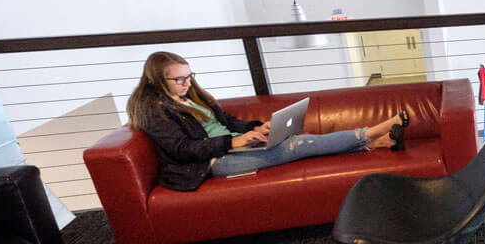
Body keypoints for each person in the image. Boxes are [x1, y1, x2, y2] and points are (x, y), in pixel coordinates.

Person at [126, 50, 409, 192]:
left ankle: (379, 143)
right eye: (179, 79)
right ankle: (373, 132)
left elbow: (227, 121)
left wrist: (253, 129)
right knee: (297, 144)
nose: (187, 82)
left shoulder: (192, 96)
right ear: (157, 80)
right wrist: (233, 142)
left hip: (233, 147)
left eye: (190, 76)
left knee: (292, 138)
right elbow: (182, 150)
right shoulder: (154, 110)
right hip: (210, 163)